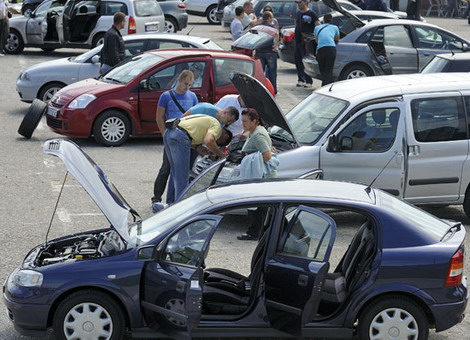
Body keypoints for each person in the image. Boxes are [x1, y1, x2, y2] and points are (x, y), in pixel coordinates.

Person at [164, 111, 239, 203]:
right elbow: (209, 140)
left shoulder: (207, 120)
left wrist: (198, 147)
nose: (216, 141)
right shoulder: (217, 127)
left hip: (169, 132)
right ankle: (180, 207)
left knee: (176, 173)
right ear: (225, 136)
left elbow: (188, 135)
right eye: (218, 143)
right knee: (182, 177)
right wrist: (221, 154)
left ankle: (170, 203)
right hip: (180, 135)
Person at [152, 70, 198, 212]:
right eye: (185, 84)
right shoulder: (166, 96)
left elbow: (196, 115)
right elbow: (159, 116)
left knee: (184, 170)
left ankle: (177, 199)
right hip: (172, 136)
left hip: (187, 137)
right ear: (179, 80)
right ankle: (156, 197)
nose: (187, 88)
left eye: (190, 85)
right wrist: (164, 134)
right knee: (167, 167)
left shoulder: (192, 96)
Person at [236, 108, 277, 241]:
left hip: (260, 176)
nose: (243, 124)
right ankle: (258, 231)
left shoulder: (258, 135)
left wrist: (251, 160)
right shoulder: (255, 131)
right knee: (259, 206)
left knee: (257, 206)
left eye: (246, 121)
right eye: (242, 121)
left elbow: (267, 155)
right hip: (258, 175)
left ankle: (254, 233)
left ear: (254, 121)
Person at [294, 0, 319, 88]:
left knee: (306, 60)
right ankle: (301, 79)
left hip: (307, 41)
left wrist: (314, 37)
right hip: (298, 41)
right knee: (298, 60)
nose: (298, 5)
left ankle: (308, 81)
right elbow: (296, 24)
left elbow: (317, 25)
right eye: (297, 3)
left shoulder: (311, 13)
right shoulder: (298, 13)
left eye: (300, 3)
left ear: (305, 2)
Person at [253, 11, 279, 94]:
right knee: (272, 72)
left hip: (259, 50)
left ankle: (259, 89)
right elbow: (277, 34)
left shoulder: (258, 27)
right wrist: (276, 45)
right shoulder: (271, 26)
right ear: (269, 18)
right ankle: (273, 90)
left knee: (260, 72)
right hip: (270, 51)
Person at [314, 13, 339, 86]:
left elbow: (316, 40)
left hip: (321, 49)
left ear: (323, 20)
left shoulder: (317, 28)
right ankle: (329, 84)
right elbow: (337, 39)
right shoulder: (335, 27)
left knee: (322, 69)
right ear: (331, 20)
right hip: (331, 49)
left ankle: (325, 86)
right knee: (329, 69)